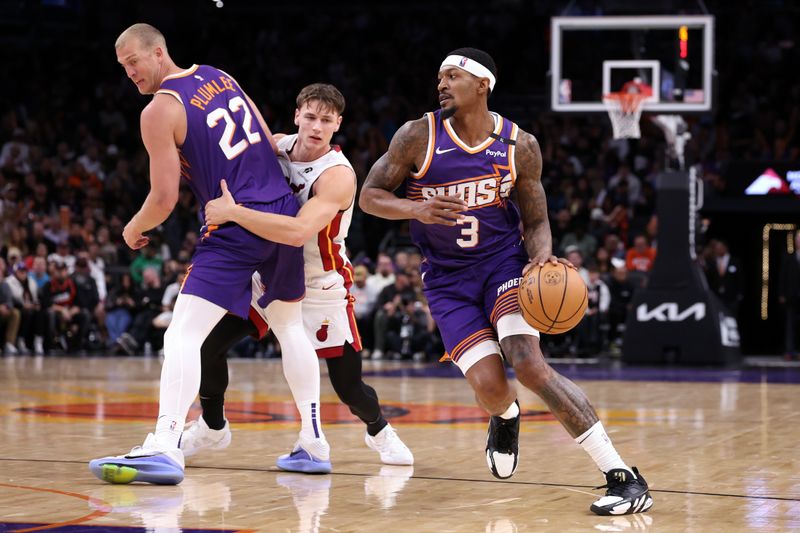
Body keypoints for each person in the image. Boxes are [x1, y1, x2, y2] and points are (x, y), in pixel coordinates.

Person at [358, 47, 652, 516]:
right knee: (492, 387)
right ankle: (505, 416)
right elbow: (369, 196)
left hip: (503, 265)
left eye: (452, 76)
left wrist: (540, 259)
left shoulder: (520, 145)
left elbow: (536, 219)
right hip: (446, 280)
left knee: (529, 364)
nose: (441, 84)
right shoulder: (417, 136)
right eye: (439, 77)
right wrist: (414, 208)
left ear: (482, 85)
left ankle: (622, 475)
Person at [89, 23, 325, 485]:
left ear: (158, 53)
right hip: (277, 209)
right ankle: (313, 444)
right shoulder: (219, 75)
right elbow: (262, 134)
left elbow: (162, 200)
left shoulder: (159, 110)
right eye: (122, 68)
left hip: (234, 220)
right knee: (289, 328)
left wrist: (132, 228)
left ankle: (164, 444)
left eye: (133, 63)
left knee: (181, 335)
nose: (129, 74)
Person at [196, 83, 413, 469]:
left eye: (326, 121)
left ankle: (379, 430)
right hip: (270, 274)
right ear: (297, 115)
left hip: (320, 283)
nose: (316, 127)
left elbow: (297, 232)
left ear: (337, 125)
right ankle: (212, 427)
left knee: (348, 387)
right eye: (310, 117)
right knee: (208, 345)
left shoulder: (338, 176)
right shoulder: (276, 146)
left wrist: (232, 213)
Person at [779, 232, 800, 360]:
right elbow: (783, 276)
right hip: (791, 297)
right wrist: (781, 293)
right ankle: (789, 351)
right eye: (798, 240)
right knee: (790, 325)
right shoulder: (788, 257)